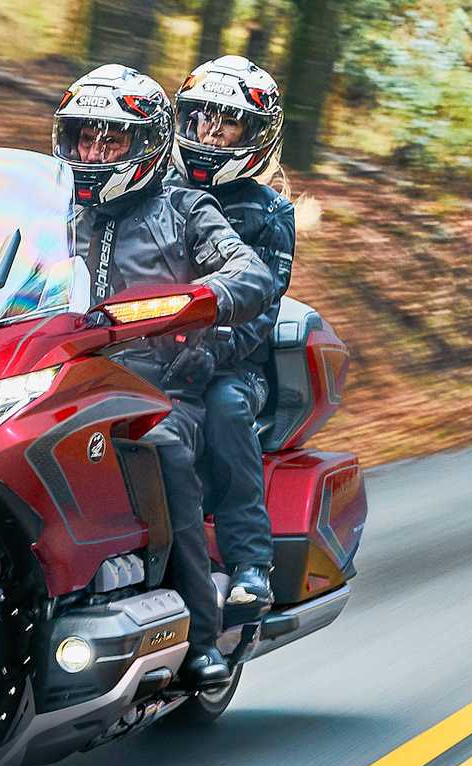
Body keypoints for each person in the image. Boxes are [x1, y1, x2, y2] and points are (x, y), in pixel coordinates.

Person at [53, 64, 276, 690]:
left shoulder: (184, 208)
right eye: (83, 138)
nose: (94, 153)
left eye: (111, 140)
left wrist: (203, 301)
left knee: (163, 450)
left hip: (160, 390)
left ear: (147, 144)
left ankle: (203, 639)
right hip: (64, 383)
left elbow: (251, 274)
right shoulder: (55, 215)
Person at [170, 55, 295, 616]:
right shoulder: (156, 188)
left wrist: (209, 350)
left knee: (223, 408)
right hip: (146, 351)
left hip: (236, 365)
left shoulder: (270, 212)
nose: (209, 132)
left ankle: (250, 562)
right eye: (200, 118)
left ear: (256, 135)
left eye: (228, 122)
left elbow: (261, 310)